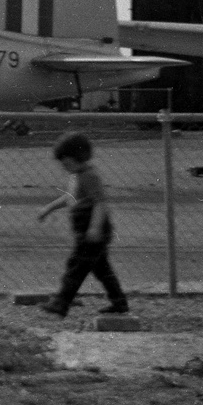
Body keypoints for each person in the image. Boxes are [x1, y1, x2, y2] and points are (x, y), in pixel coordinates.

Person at [37, 131, 129, 317]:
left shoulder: (89, 176)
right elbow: (69, 198)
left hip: (93, 227)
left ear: (79, 157)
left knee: (76, 266)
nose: (65, 167)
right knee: (101, 268)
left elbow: (99, 203)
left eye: (67, 163)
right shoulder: (76, 176)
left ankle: (61, 302)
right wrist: (49, 208)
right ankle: (119, 302)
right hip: (83, 227)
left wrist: (94, 227)